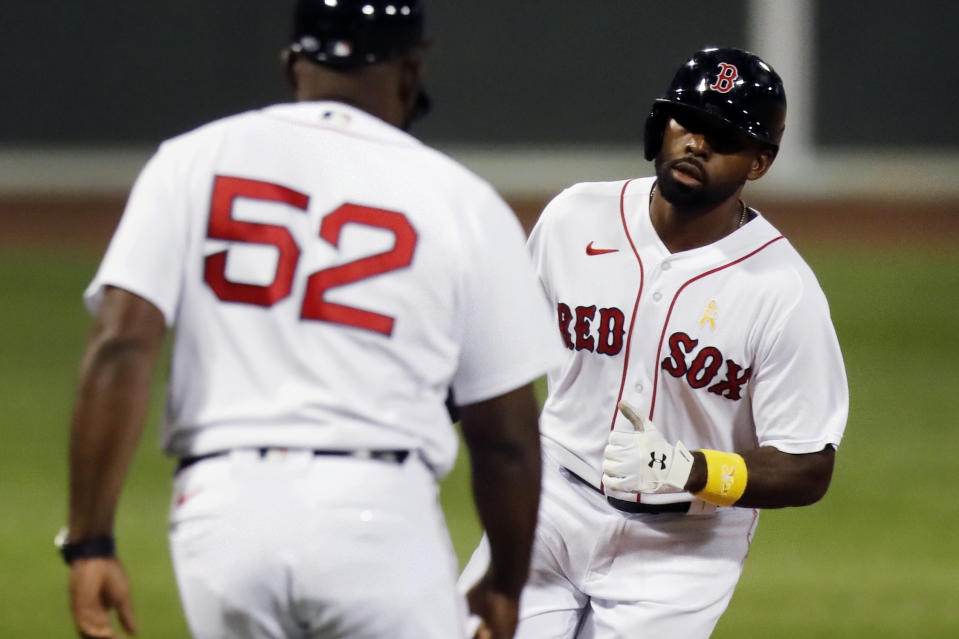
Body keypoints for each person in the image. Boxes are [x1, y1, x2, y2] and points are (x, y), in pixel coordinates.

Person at [58, 1, 561, 638]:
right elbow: (507, 438)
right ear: (411, 69)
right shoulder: (463, 200)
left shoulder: (191, 160)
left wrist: (91, 542)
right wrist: (505, 586)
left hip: (221, 517)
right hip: (377, 515)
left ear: (292, 63)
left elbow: (120, 346)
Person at [459, 46, 849, 638]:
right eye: (687, 121)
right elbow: (496, 350)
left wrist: (690, 468)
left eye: (723, 135)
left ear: (759, 163)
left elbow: (806, 468)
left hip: (683, 550)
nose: (697, 143)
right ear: (660, 125)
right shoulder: (575, 219)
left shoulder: (784, 291)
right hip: (549, 507)